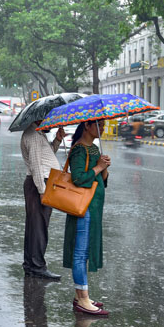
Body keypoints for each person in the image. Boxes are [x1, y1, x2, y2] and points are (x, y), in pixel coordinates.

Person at [63, 120, 110, 316]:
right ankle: (82, 299)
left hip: (94, 207)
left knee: (85, 251)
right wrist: (98, 167)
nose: (104, 128)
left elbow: (102, 181)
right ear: (88, 126)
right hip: (84, 208)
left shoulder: (94, 149)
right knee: (81, 253)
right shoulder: (79, 150)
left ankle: (81, 296)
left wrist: (105, 167)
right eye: (100, 125)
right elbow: (79, 178)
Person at [20, 121, 65, 280]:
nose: (52, 123)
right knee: (39, 227)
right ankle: (37, 266)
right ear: (39, 118)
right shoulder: (32, 135)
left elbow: (46, 156)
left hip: (41, 183)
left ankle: (30, 265)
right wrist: (41, 190)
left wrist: (57, 140)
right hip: (38, 184)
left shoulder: (39, 134)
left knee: (35, 226)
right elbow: (36, 165)